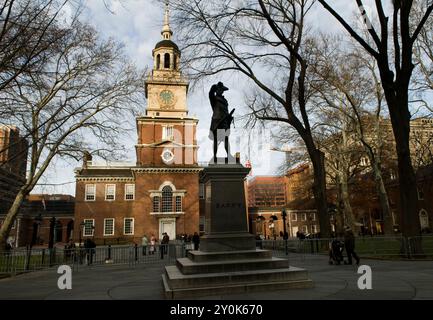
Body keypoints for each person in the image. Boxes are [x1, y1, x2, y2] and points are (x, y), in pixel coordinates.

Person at [209, 82, 235, 163]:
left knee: (226, 138)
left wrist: (229, 117)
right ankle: (215, 156)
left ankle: (228, 155)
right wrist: (214, 87)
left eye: (222, 90)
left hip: (225, 121)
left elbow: (225, 111)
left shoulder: (225, 100)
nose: (222, 91)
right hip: (217, 121)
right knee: (216, 140)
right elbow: (210, 93)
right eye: (220, 89)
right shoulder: (214, 98)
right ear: (217, 90)